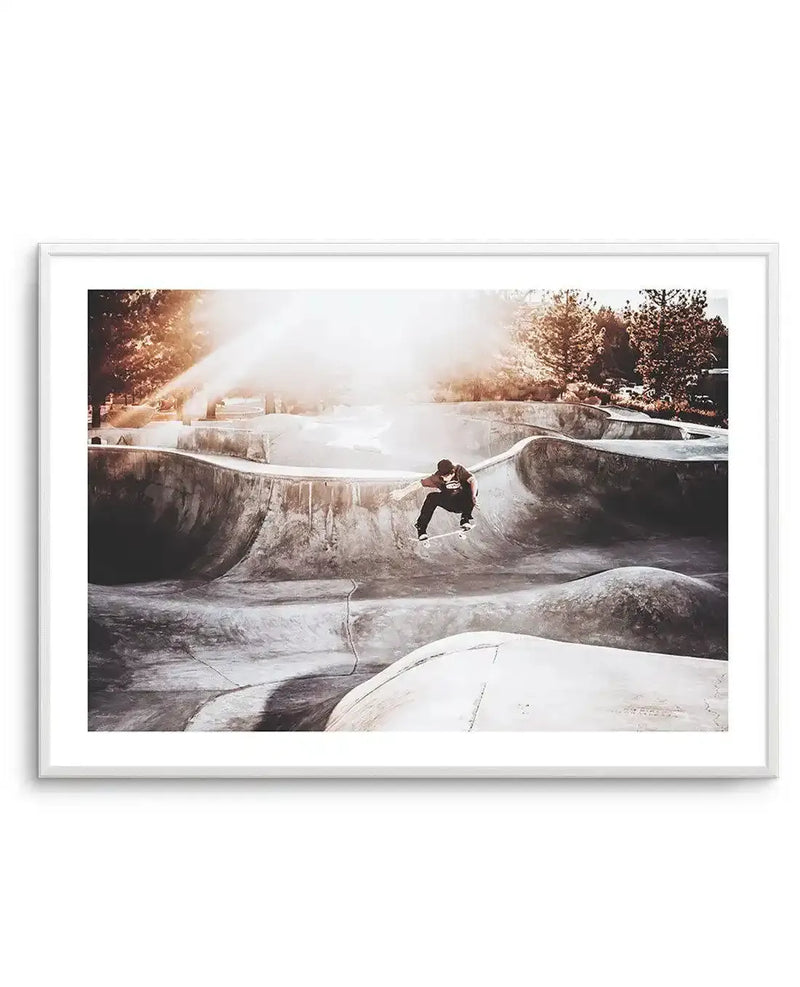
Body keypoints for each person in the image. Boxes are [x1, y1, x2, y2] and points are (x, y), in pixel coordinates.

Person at [390, 459, 477, 541]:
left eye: (448, 476)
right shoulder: (436, 478)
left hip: (465, 502)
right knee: (432, 497)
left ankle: (465, 518)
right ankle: (421, 528)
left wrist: (473, 496)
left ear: (453, 472)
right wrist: (403, 492)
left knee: (469, 487)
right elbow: (419, 484)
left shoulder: (459, 470)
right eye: (443, 477)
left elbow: (473, 480)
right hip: (451, 503)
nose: (446, 479)